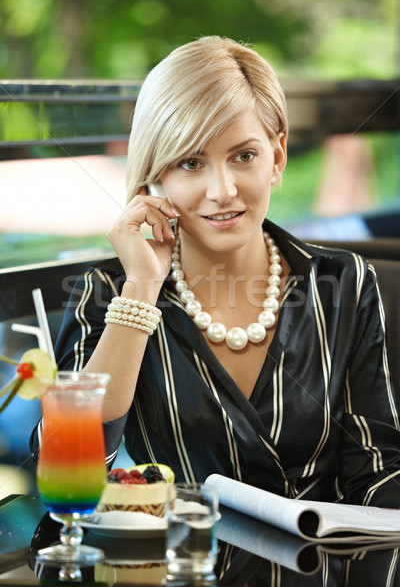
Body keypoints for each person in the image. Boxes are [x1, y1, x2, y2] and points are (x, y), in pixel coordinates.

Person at [30, 35, 400, 507]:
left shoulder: (345, 283)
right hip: (185, 564)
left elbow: (380, 472)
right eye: (191, 162)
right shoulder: (110, 291)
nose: (222, 190)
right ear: (154, 176)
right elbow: (65, 459)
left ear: (278, 156)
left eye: (243, 156)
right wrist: (142, 288)